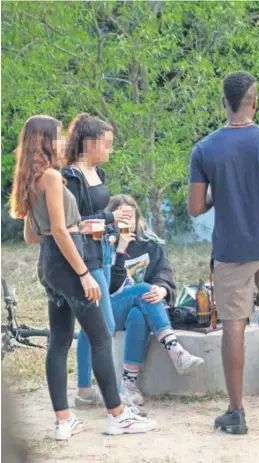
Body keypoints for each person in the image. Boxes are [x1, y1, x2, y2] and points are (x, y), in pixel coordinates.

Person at [9, 115, 154, 439]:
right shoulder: (50, 177)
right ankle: (117, 415)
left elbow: (34, 236)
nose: (63, 143)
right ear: (45, 141)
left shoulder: (31, 179)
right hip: (69, 266)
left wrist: (76, 227)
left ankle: (63, 421)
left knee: (59, 342)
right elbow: (60, 230)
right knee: (101, 337)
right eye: (58, 137)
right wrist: (85, 273)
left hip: (49, 266)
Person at [188, 71, 259, 433]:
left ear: (225, 102)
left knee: (233, 328)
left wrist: (214, 193)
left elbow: (195, 207)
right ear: (253, 101)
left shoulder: (205, 149)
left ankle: (236, 413)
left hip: (231, 251)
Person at [106, 195, 204, 406]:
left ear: (138, 220)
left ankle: (129, 384)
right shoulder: (105, 245)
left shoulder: (149, 246)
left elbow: (164, 274)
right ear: (111, 219)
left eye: (130, 217)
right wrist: (120, 249)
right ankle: (175, 350)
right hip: (112, 311)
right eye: (121, 217)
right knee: (142, 289)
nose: (126, 222)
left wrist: (161, 289)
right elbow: (110, 287)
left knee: (138, 314)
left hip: (141, 309)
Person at [62, 113, 131, 408]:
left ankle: (85, 389)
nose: (110, 150)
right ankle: (113, 393)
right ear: (89, 143)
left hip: (102, 249)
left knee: (93, 324)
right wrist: (110, 217)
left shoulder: (98, 174)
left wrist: (114, 228)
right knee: (105, 323)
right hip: (85, 256)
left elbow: (97, 220)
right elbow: (74, 221)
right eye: (107, 144)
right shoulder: (71, 177)